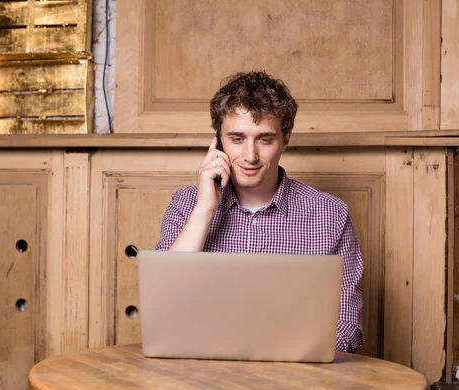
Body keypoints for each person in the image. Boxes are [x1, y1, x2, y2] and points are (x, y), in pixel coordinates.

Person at [155, 71, 364, 353]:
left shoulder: (330, 214)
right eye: (237, 139)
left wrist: (279, 357)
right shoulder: (186, 206)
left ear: (285, 139)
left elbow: (348, 327)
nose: (250, 156)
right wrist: (204, 210)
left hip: (296, 382)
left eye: (264, 139)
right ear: (218, 142)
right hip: (200, 378)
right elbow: (162, 308)